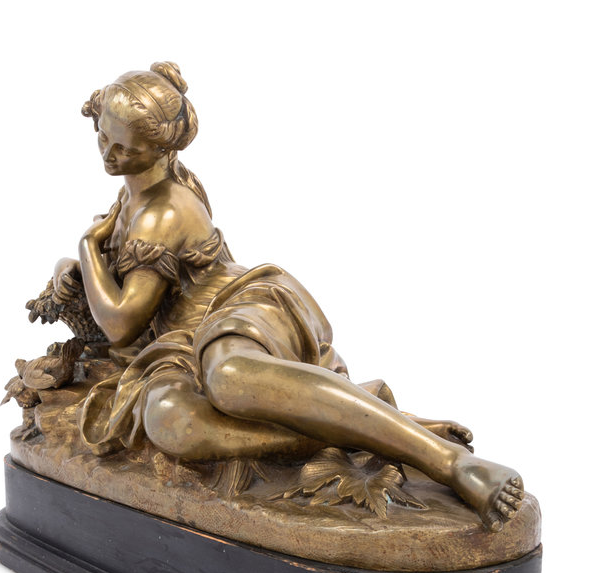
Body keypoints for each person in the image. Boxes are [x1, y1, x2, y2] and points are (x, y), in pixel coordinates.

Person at [52, 61, 523, 531]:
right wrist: (67, 269)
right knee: (170, 421)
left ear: (160, 148)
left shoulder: (164, 210)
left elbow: (121, 324)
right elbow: (121, 281)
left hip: (237, 309)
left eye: (125, 148)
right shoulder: (132, 196)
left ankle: (449, 463)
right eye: (103, 138)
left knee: (228, 376)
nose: (108, 155)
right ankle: (367, 423)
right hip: (178, 348)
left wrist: (86, 247)